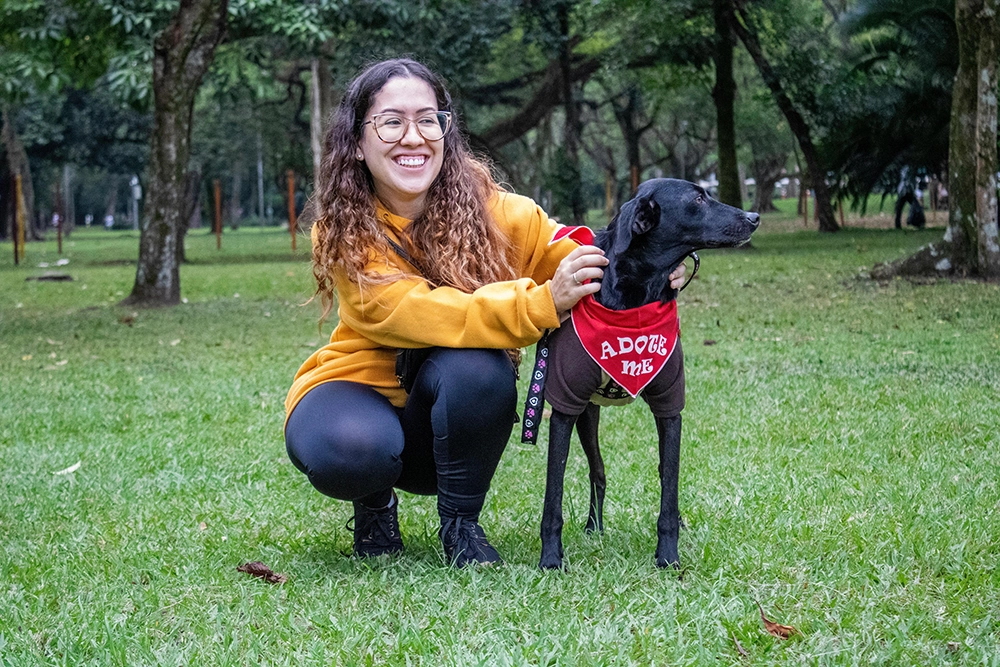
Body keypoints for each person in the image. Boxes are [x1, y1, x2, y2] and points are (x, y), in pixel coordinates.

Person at [283, 58, 686, 567]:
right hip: (356, 392)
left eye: (428, 120)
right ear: (359, 143)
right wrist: (541, 303)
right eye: (391, 121)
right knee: (353, 448)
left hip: (447, 417)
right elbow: (423, 312)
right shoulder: (343, 234)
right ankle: (375, 501)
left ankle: (461, 527)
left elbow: (569, 249)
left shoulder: (499, 212)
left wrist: (647, 263)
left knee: (479, 366)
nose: (413, 137)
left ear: (446, 132)